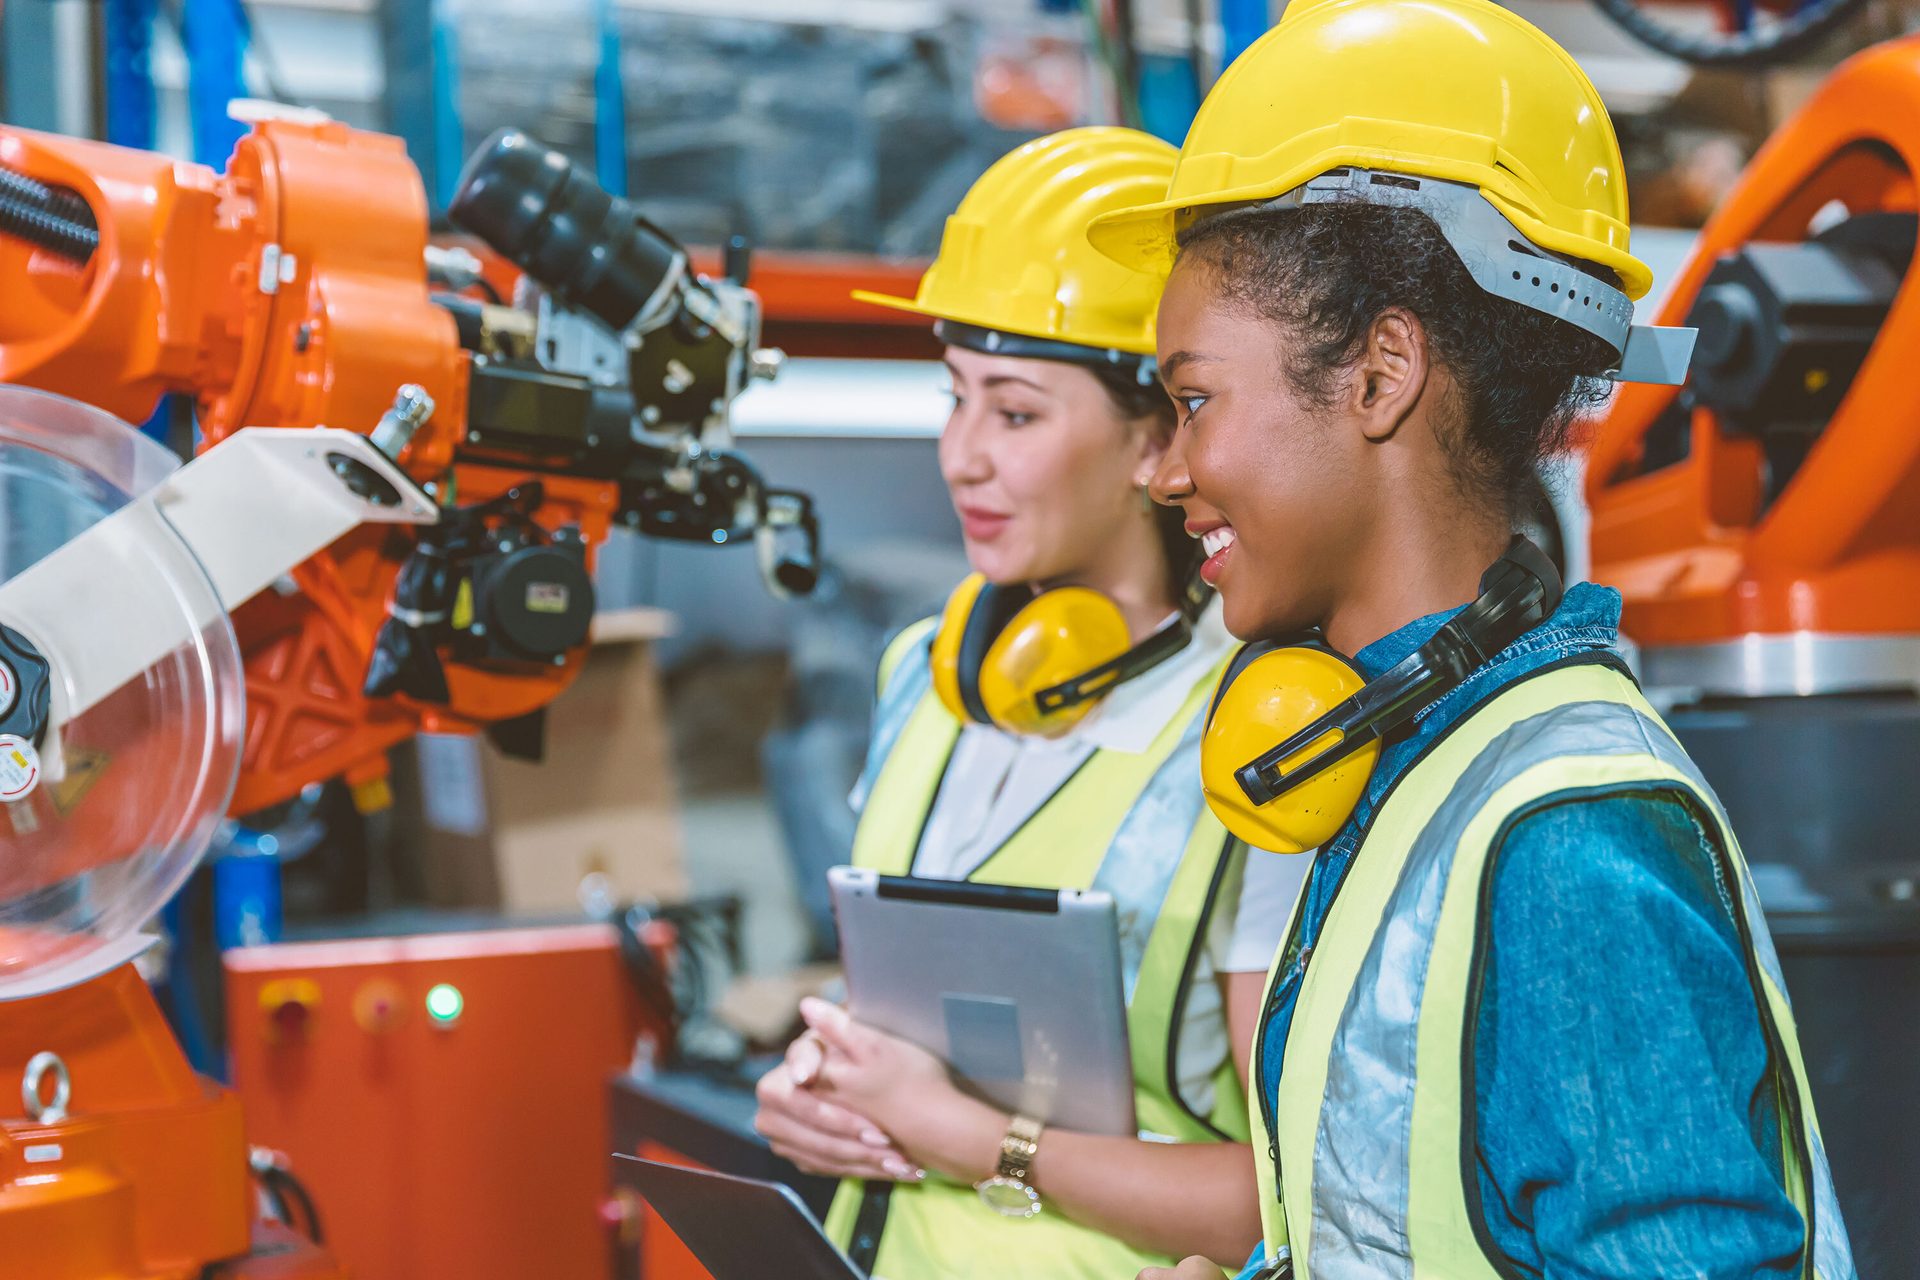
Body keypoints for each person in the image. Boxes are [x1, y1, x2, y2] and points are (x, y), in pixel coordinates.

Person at [1084, 1, 1860, 1277]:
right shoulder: (1417, 760)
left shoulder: (1564, 836)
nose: (1165, 472)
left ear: (1384, 373)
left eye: (1193, 399)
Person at [751, 127, 1305, 1279]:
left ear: (1158, 438)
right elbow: (901, 1031)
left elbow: (1284, 1192)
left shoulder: (1258, 732)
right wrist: (819, 1091)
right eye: (952, 399)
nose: (960, 456)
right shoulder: (926, 672)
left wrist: (970, 1138)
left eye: (1014, 412)